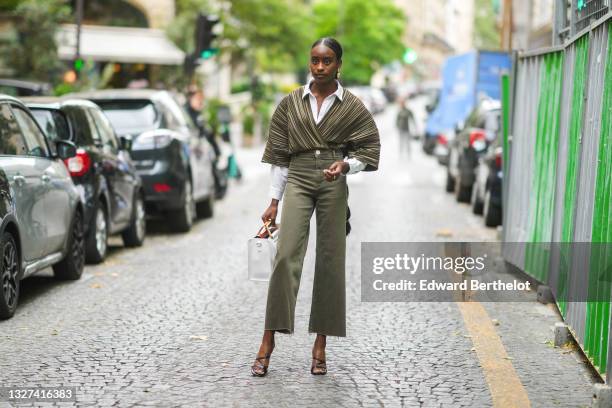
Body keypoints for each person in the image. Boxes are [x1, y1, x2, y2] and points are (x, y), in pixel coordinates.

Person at [251, 37, 380, 377]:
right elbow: (279, 157)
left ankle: (320, 345)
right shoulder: (291, 103)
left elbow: (368, 149)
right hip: (298, 178)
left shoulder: (352, 106)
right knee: (284, 257)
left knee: (330, 262)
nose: (320, 67)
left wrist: (346, 166)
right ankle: (268, 341)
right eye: (315, 60)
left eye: (327, 61)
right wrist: (273, 202)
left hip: (333, 182)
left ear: (339, 64)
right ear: (309, 62)